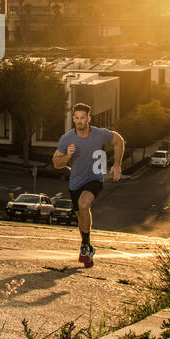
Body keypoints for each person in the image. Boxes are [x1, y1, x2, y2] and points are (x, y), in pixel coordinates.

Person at [52, 104, 124, 267]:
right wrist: (67, 156)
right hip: (75, 182)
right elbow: (56, 163)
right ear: (73, 119)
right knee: (81, 215)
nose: (79, 121)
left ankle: (85, 246)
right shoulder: (67, 138)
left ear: (88, 119)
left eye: (82, 118)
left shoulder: (99, 134)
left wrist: (117, 164)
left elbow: (118, 140)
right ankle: (88, 246)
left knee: (83, 204)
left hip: (95, 178)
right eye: (76, 118)